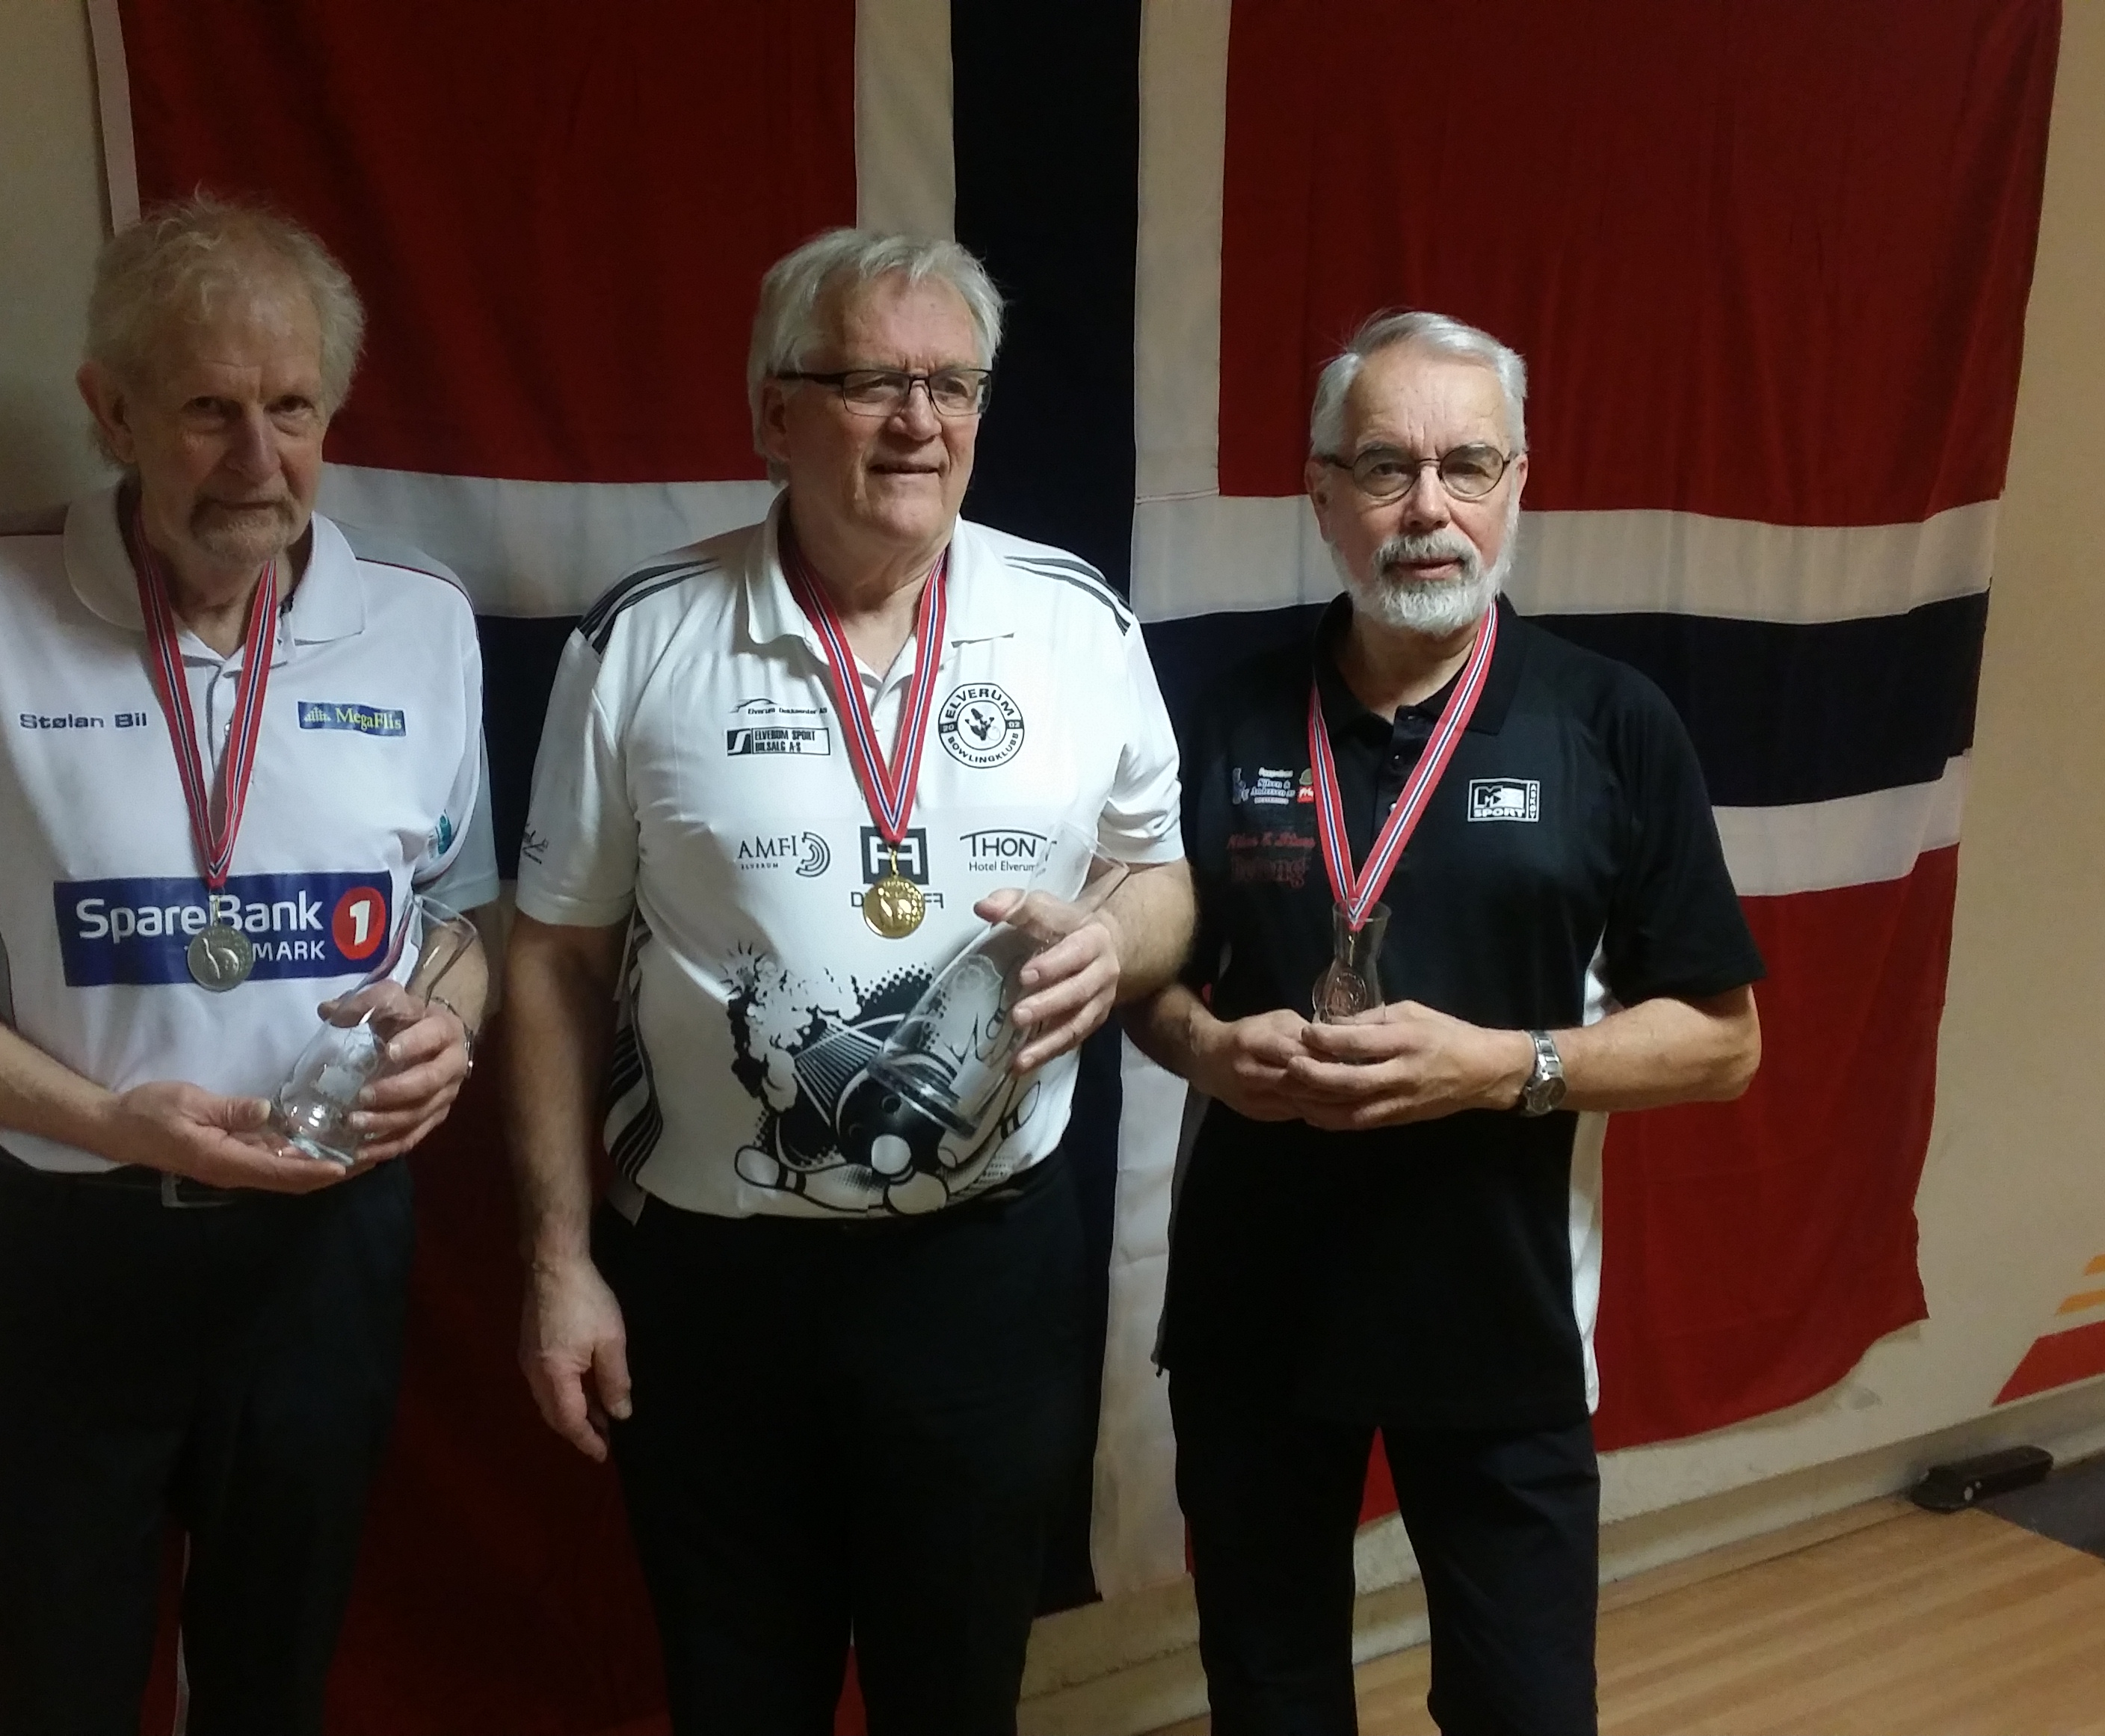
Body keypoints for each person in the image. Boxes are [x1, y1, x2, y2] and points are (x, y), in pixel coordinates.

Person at [0, 195, 496, 1734]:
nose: (258, 462)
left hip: (326, 1254)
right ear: (109, 410)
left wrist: (447, 1024)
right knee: (39, 1687)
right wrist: (111, 1121)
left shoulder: (420, 622)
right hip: (71, 1248)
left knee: (273, 1683)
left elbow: (461, 920)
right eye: (207, 411)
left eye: (293, 409)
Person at [501, 228, 1195, 1735]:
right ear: (774, 412)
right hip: (713, 1281)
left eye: (955, 385)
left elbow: (1162, 878)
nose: (919, 422)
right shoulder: (645, 635)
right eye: (873, 381)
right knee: (736, 1694)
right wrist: (559, 1261)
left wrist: (1118, 941)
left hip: (983, 1274)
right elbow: (553, 956)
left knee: (958, 1693)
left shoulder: (1077, 621)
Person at [1126, 310, 1765, 1736]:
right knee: (1271, 1702)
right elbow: (1146, 981)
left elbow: (1724, 1041)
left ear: (1518, 482)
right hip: (1255, 1315)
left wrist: (1503, 1067)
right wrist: (1209, 1049)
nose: (1429, 509)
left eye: (1467, 465)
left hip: (1500, 1318)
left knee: (1523, 1709)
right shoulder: (1220, 715)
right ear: (1321, 494)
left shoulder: (1612, 724)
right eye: (1385, 468)